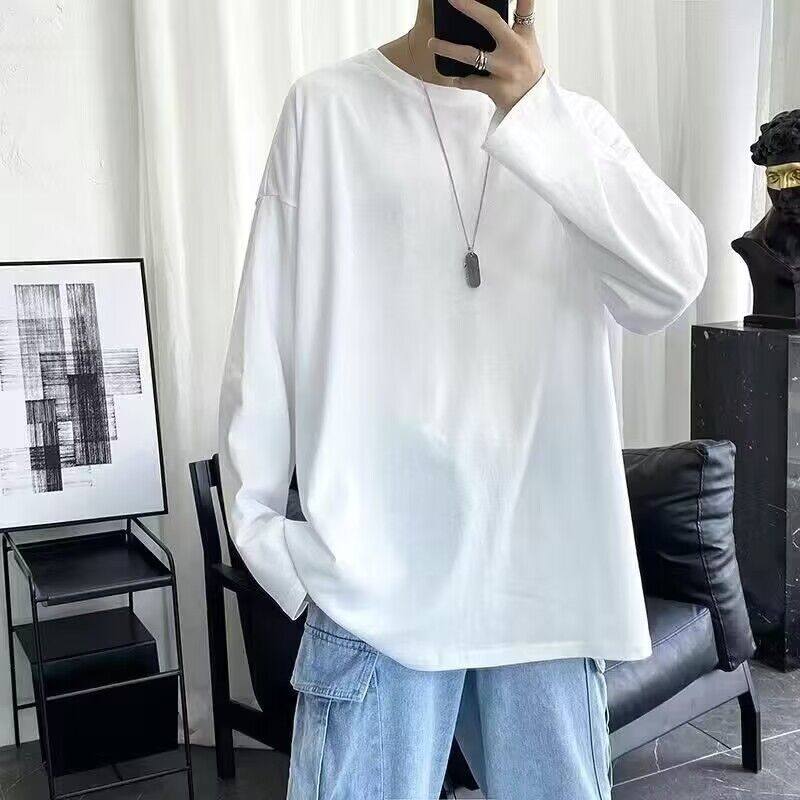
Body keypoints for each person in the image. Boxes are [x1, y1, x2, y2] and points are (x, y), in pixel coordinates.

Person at [217, 0, 708, 796]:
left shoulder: (572, 130)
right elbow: (262, 345)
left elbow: (673, 284)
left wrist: (536, 113)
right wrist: (275, 548)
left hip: (545, 592)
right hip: (374, 592)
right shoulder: (327, 110)